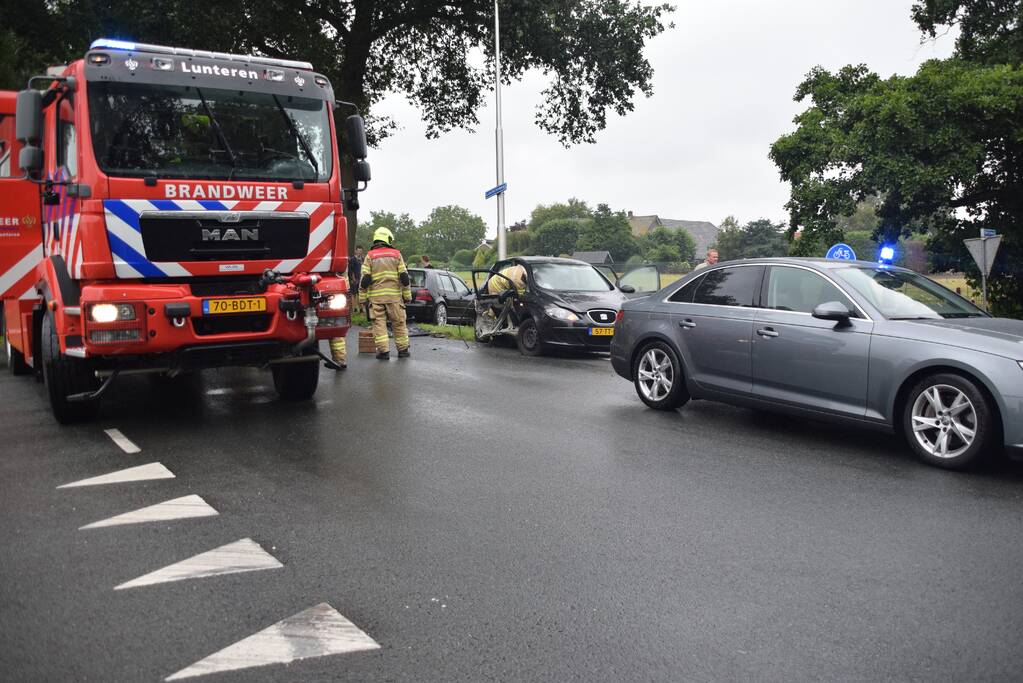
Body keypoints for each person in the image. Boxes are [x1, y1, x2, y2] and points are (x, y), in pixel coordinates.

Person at [361, 227, 412, 360]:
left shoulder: (370, 256)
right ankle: (403, 351)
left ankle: (384, 352)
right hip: (394, 298)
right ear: (388, 239)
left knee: (379, 325)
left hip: (376, 299)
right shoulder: (396, 254)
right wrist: (407, 297)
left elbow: (364, 280)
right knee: (399, 324)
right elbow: (404, 278)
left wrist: (362, 299)